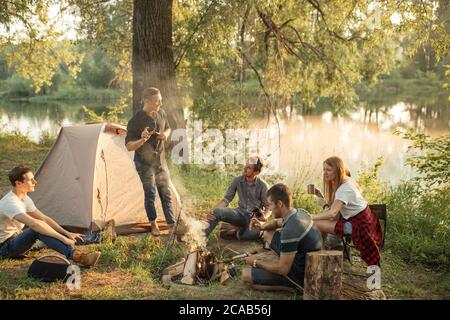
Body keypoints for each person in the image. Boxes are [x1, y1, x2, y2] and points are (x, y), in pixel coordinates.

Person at [0, 167, 101, 267]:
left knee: (50, 231)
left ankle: (97, 237)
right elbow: (34, 224)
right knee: (38, 230)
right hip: (5, 247)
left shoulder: (24, 198)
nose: (35, 182)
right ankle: (77, 256)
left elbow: (44, 218)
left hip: (17, 238)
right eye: (31, 180)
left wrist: (67, 233)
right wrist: (63, 238)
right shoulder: (10, 203)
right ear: (18, 183)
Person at [241, 183, 322, 291]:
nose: (269, 208)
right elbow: (276, 222)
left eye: (270, 205)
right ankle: (285, 263)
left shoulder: (289, 231)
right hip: (304, 260)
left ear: (279, 204)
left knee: (245, 275)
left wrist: (255, 262)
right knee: (267, 233)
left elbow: (283, 269)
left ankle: (291, 287)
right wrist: (261, 226)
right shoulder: (298, 213)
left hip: (300, 274)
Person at [312, 156, 384, 266]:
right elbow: (335, 212)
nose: (325, 173)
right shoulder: (347, 180)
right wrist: (322, 199)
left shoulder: (344, 189)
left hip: (358, 227)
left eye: (328, 170)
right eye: (324, 169)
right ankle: (321, 253)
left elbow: (332, 213)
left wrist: (310, 216)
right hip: (364, 222)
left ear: (337, 170)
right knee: (322, 222)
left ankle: (319, 255)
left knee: (316, 223)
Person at [125, 87, 175, 236]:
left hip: (160, 161)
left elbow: (168, 128)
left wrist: (164, 135)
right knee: (151, 193)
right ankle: (154, 224)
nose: (160, 103)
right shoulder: (135, 120)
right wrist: (142, 139)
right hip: (145, 164)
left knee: (166, 193)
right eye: (157, 101)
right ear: (147, 101)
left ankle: (171, 225)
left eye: (160, 100)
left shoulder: (161, 113)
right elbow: (128, 146)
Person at [204, 156, 270, 241]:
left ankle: (235, 233)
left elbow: (268, 207)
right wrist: (212, 212)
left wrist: (264, 216)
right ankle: (200, 239)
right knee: (216, 212)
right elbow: (226, 199)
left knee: (254, 234)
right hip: (239, 213)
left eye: (249, 167)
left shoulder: (263, 185)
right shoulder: (237, 180)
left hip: (253, 219)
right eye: (246, 165)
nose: (245, 168)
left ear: (256, 172)